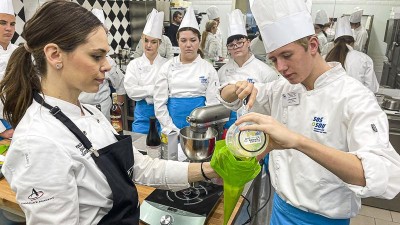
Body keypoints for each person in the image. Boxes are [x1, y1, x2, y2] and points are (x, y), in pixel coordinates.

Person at [0, 2, 218, 224]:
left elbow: (141, 167)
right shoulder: (38, 142)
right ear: (55, 55)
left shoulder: (91, 113)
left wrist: (208, 169)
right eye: (97, 56)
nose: (107, 66)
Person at [219, 0, 400, 224]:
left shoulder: (353, 97)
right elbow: (229, 95)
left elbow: (385, 174)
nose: (281, 68)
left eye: (287, 55)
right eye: (274, 60)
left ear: (313, 45)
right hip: (280, 209)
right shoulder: (283, 88)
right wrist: (236, 89)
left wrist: (298, 141)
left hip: (322, 219)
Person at [154, 6, 220, 134]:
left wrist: (203, 128)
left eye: (193, 40)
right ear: (178, 41)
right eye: (183, 40)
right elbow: (159, 104)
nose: (188, 45)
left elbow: (212, 104)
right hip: (171, 127)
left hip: (201, 130)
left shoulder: (208, 69)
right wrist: (171, 129)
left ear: (199, 41)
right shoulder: (167, 68)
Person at [218, 9, 279, 128]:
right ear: (228, 49)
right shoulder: (222, 71)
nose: (236, 47)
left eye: (240, 42)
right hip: (228, 126)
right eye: (231, 45)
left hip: (256, 126)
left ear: (248, 42)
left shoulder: (266, 72)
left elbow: (272, 105)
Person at [124, 9, 168, 134]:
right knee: (140, 150)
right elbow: (131, 91)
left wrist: (144, 90)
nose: (149, 45)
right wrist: (155, 90)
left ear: (159, 43)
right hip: (142, 118)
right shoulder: (134, 64)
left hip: (164, 118)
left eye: (153, 42)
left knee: (164, 151)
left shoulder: (166, 65)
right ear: (142, 40)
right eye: (146, 40)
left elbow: (170, 91)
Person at [79, 8, 126, 120]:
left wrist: (117, 108)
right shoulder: (79, 61)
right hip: (81, 109)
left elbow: (120, 85)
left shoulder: (109, 62)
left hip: (103, 108)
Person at [326, 17, 379, 93]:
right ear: (353, 43)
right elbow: (372, 89)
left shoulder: (326, 58)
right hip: (356, 103)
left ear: (334, 43)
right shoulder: (365, 59)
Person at [0, 0, 15, 140]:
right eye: (2, 23)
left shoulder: (19, 52)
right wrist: (2, 130)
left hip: (17, 122)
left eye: (12, 24)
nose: (8, 28)